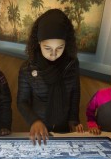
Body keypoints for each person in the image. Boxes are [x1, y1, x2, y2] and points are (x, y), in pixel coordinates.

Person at [17, 9, 83, 145]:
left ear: (67, 43)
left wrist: (73, 119)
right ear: (38, 43)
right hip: (40, 126)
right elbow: (22, 101)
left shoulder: (72, 64)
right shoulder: (27, 68)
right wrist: (34, 121)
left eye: (60, 47)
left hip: (64, 124)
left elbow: (75, 93)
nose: (54, 54)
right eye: (48, 48)